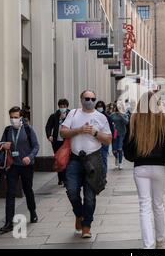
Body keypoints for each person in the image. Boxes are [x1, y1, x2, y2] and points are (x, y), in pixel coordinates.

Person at [60, 90, 112, 239]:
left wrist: (94, 133)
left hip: (93, 159)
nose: (90, 101)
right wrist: (79, 130)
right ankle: (79, 214)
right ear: (81, 99)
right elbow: (63, 132)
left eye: (92, 98)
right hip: (75, 159)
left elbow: (108, 140)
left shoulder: (101, 117)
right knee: (71, 191)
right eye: (87, 98)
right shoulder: (73, 114)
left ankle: (86, 225)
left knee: (90, 196)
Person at [123, 91, 165, 249]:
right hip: (159, 167)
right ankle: (161, 241)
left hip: (140, 166)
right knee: (158, 204)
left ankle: (148, 245)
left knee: (144, 205)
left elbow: (127, 147)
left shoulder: (134, 119)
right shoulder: (163, 118)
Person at [0, 106, 40, 234]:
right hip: (12, 166)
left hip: (26, 166)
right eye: (11, 117)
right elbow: (1, 145)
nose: (13, 120)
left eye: (16, 117)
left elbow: (36, 146)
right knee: (10, 193)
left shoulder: (28, 129)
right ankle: (8, 222)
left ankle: (32, 211)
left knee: (28, 190)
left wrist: (30, 157)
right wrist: (3, 145)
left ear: (21, 117)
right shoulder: (7, 130)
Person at [46, 99, 71, 186]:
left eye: (64, 106)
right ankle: (60, 178)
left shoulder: (70, 115)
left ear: (67, 107)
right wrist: (49, 135)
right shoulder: (54, 116)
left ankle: (66, 179)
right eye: (61, 106)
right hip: (57, 142)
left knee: (66, 160)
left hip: (66, 141)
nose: (62, 108)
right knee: (59, 160)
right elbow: (48, 126)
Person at [96, 101, 114, 176]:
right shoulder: (94, 116)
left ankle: (103, 176)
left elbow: (111, 129)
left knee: (103, 158)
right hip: (95, 140)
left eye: (101, 106)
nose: (99, 108)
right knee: (96, 159)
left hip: (104, 140)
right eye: (98, 106)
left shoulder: (107, 117)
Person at [111, 104, 129, 170]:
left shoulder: (124, 114)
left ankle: (120, 163)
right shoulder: (112, 115)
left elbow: (127, 122)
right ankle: (116, 158)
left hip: (122, 134)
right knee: (114, 150)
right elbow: (109, 121)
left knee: (120, 148)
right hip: (115, 134)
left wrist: (121, 116)